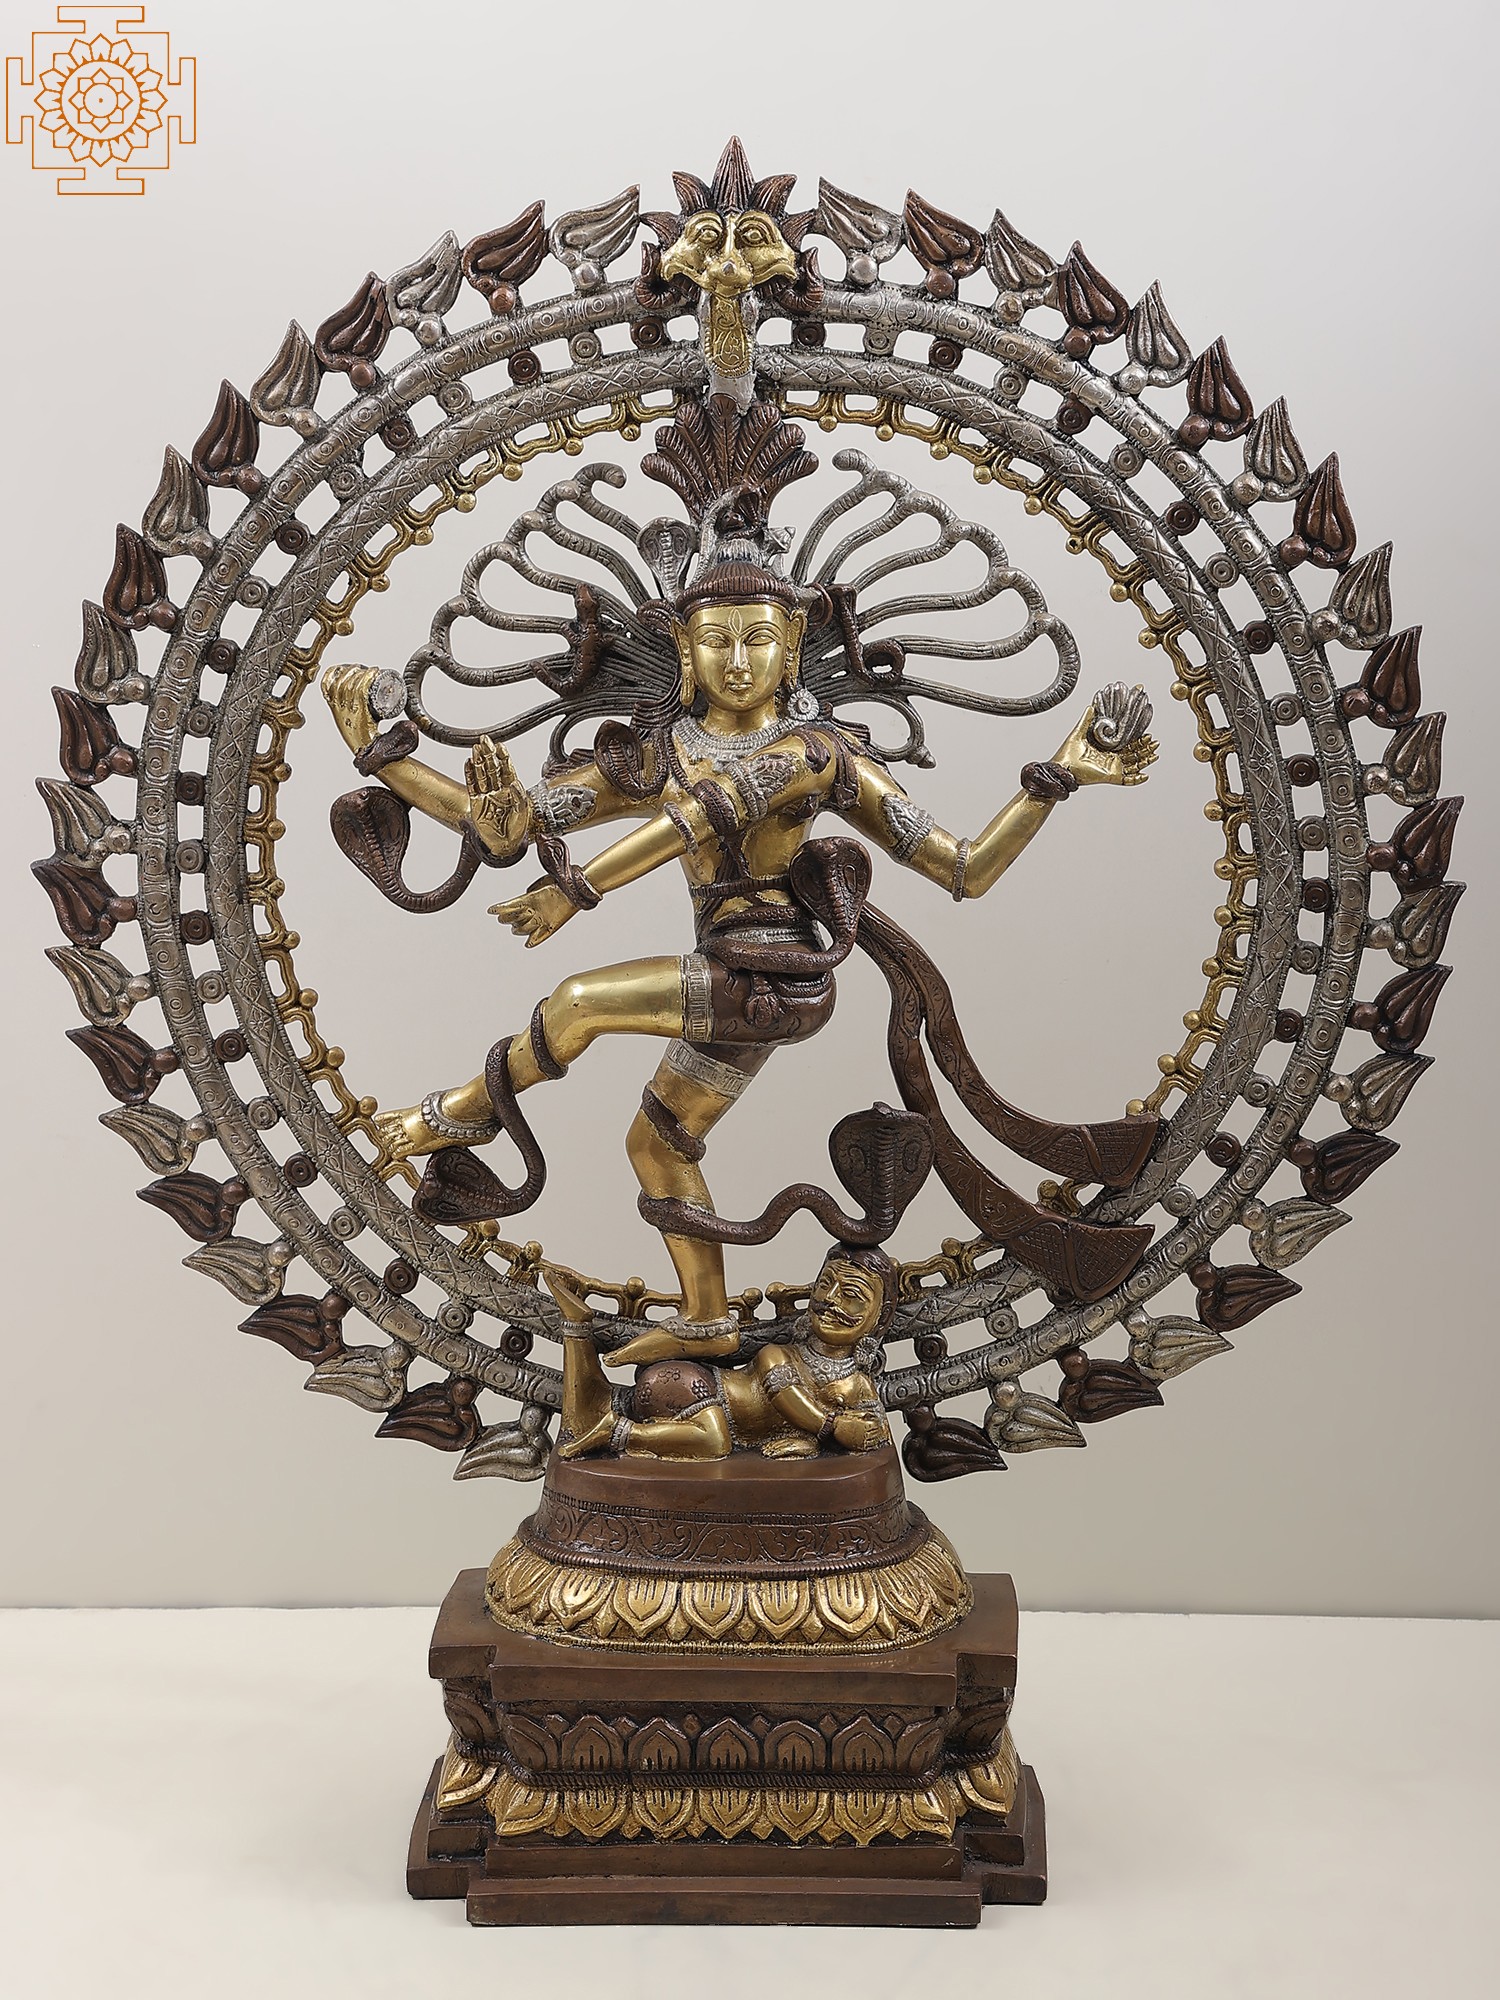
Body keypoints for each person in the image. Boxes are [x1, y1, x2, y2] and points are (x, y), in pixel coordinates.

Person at [549, 1244, 894, 1462]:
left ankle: (579, 1335)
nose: (830, 1299)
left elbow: (875, 1433)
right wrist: (831, 1427)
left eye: (851, 1295)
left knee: (596, 1406)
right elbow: (791, 1401)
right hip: (693, 1388)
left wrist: (812, 1443)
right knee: (715, 1443)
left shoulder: (858, 1384)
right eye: (825, 1284)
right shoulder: (779, 1355)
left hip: (699, 1400)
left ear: (879, 1317)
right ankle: (615, 1431)